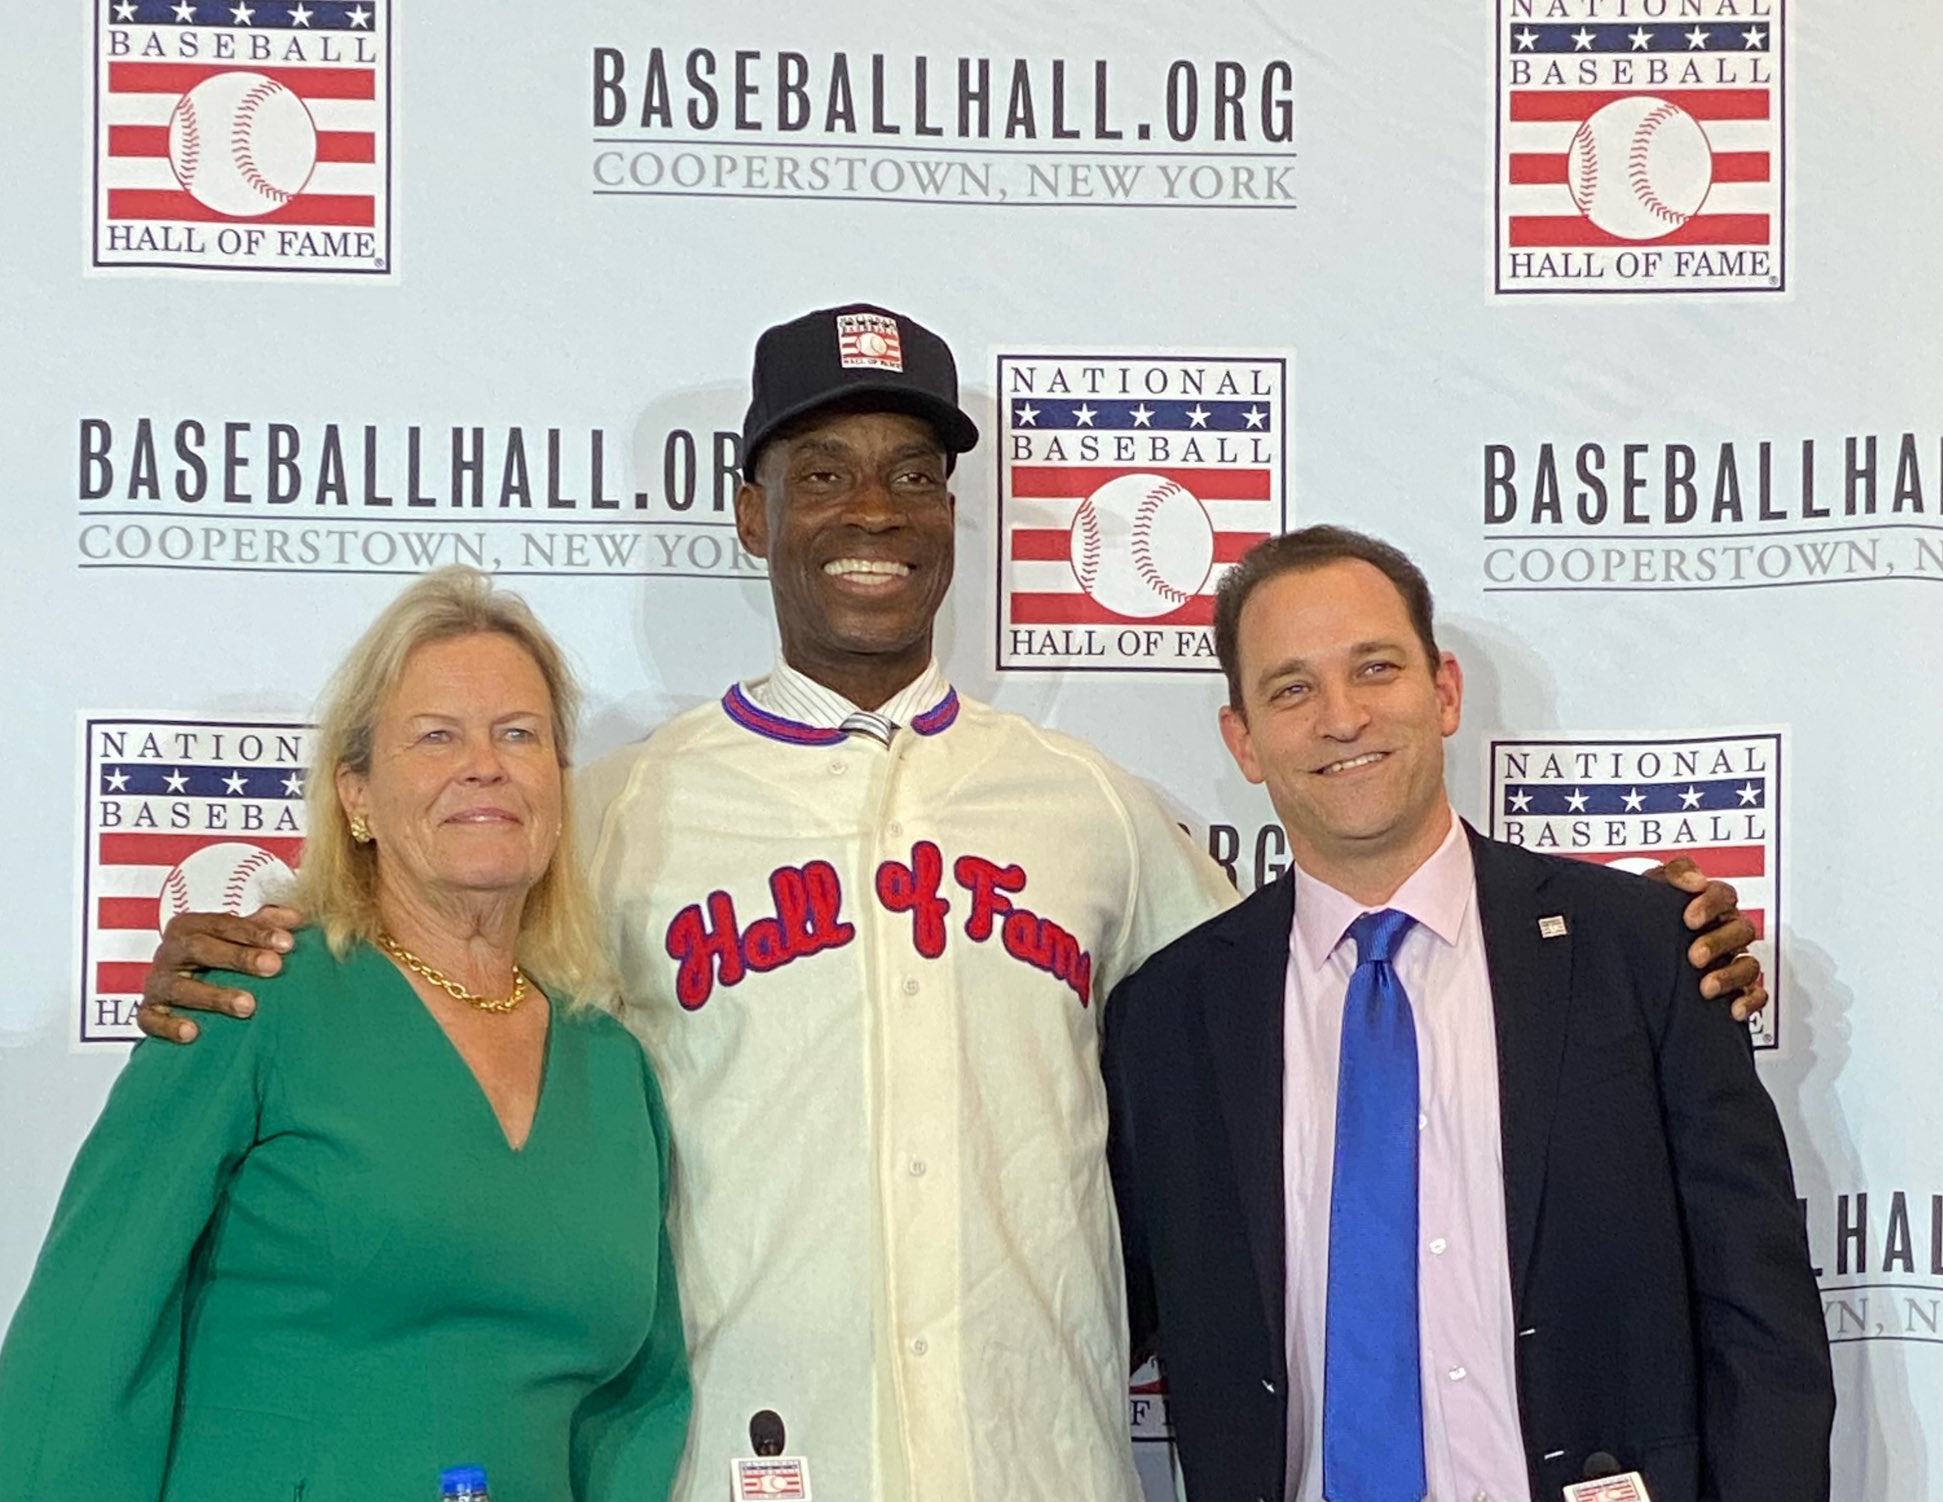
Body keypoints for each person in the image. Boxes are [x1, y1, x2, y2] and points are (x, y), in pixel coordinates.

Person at [132, 307, 1768, 1502]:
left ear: (956, 523)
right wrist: (272, 948)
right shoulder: (624, 812)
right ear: (749, 514)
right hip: (740, 1462)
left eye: (914, 476)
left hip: (1035, 1457)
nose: (872, 514)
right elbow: (447, 967)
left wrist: (1638, 953)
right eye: (824, 471)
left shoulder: (1088, 813)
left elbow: (1319, 1000)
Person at [1102, 525, 1832, 1502]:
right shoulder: (1168, 1016)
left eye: (1375, 668)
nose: (1342, 717)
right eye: (1291, 688)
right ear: (1242, 739)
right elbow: (1104, 1307)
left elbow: (1762, 1323)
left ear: (1442, 690)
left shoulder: (1645, 949)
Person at [0, 570, 689, 1501]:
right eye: (436, 736)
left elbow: (636, 1402)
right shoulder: (251, 996)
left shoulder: (611, 1065)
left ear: (557, 790)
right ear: (355, 795)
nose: (486, 763)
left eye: (518, 734)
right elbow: (88, 1335)